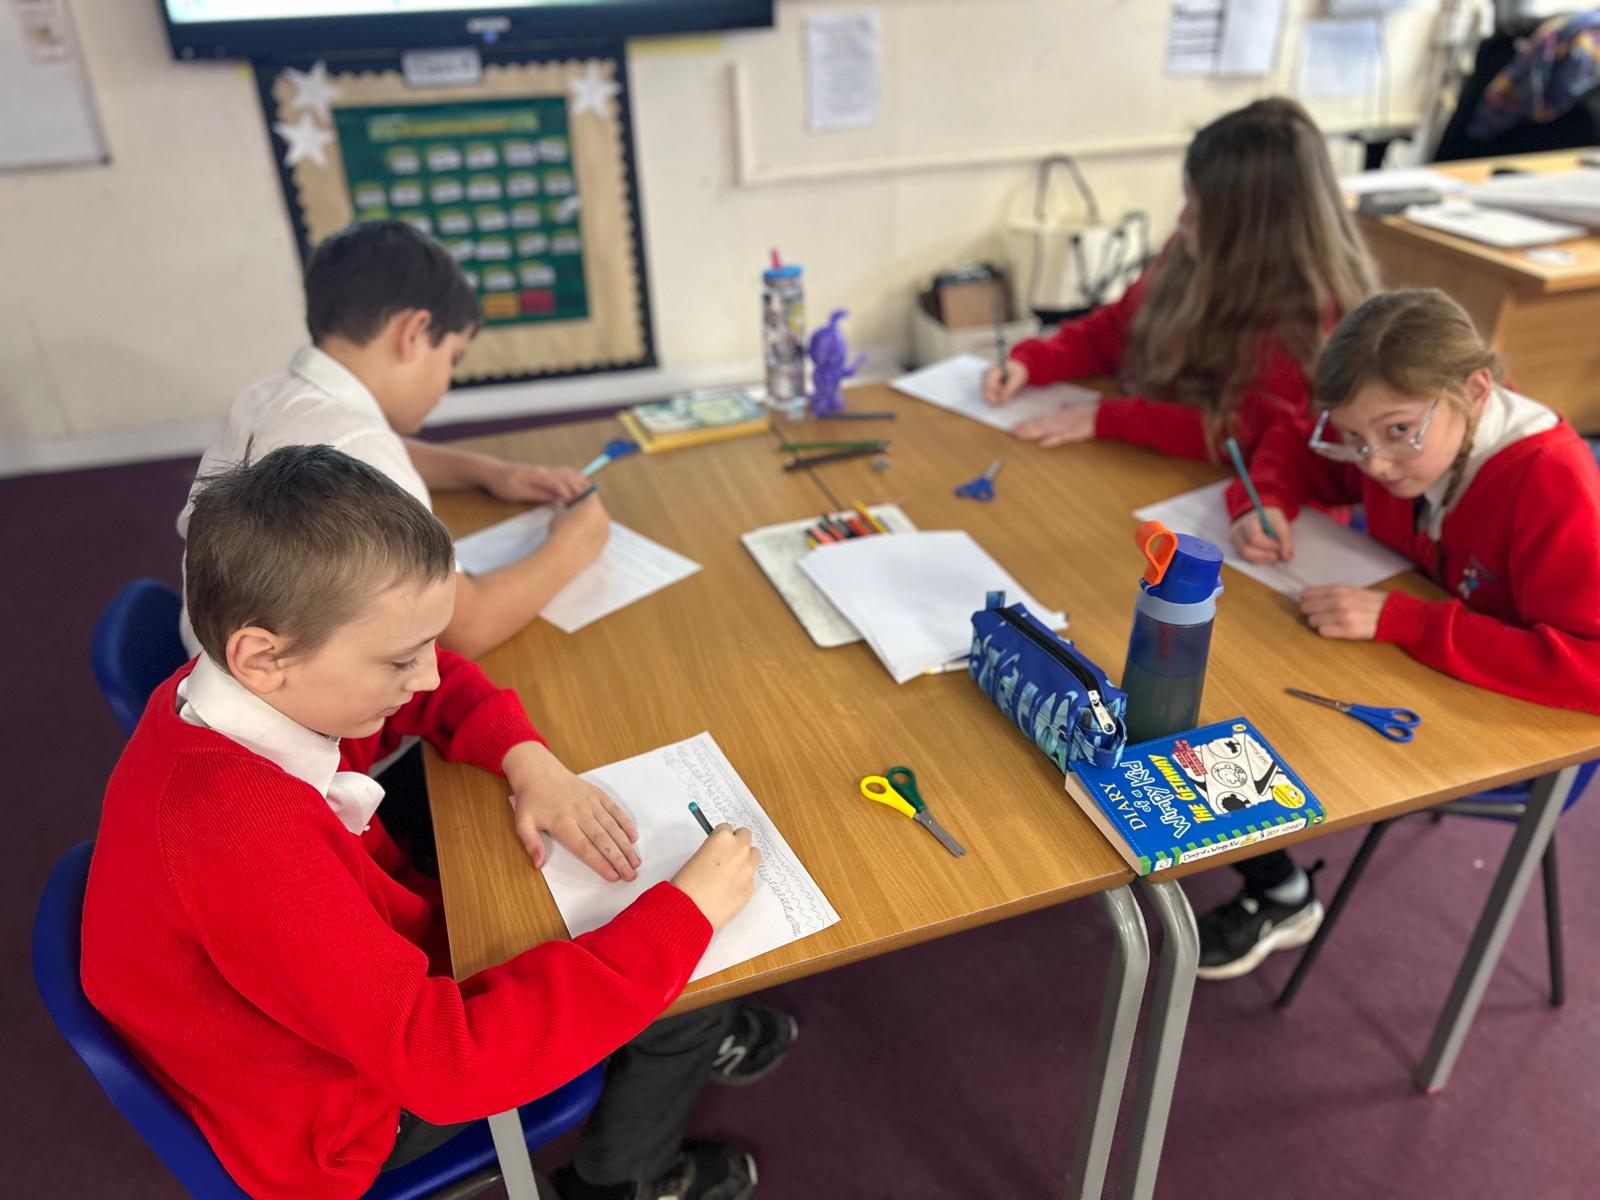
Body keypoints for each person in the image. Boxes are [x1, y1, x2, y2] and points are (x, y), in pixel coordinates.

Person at [85, 445, 790, 1198]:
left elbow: (435, 683)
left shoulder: (238, 694)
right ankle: (621, 1184)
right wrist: (682, 919)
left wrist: (524, 756)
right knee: (681, 990)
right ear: (261, 656)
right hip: (333, 1115)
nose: (426, 673)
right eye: (399, 661)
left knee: (599, 928)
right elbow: (446, 1067)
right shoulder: (242, 837)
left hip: (328, 1006)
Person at [1197, 288, 1600, 979]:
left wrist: (1406, 620)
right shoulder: (1397, 440)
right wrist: (1263, 503)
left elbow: (1590, 669)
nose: (1374, 464)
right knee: (1227, 685)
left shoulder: (1550, 480)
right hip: (1414, 674)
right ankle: (1267, 876)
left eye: (1396, 432)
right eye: (1353, 438)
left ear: (1476, 390)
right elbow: (1291, 445)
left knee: (1245, 730)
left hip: (1513, 722)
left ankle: (1277, 889)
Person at [177, 219, 608, 661]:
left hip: (219, 669)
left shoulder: (269, 396)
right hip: (300, 697)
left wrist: (488, 472)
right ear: (413, 333)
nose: (447, 382)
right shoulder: (363, 448)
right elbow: (466, 626)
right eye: (453, 358)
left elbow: (353, 451)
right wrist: (578, 541)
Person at [983, 98, 1375, 462]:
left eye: (1201, 212)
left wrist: (1110, 418)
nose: (1182, 219)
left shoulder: (1310, 314)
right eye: (1189, 200)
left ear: (1254, 233)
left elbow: (1242, 433)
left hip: (1234, 491)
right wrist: (1031, 362)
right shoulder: (1190, 253)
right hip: (1156, 464)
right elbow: (1116, 332)